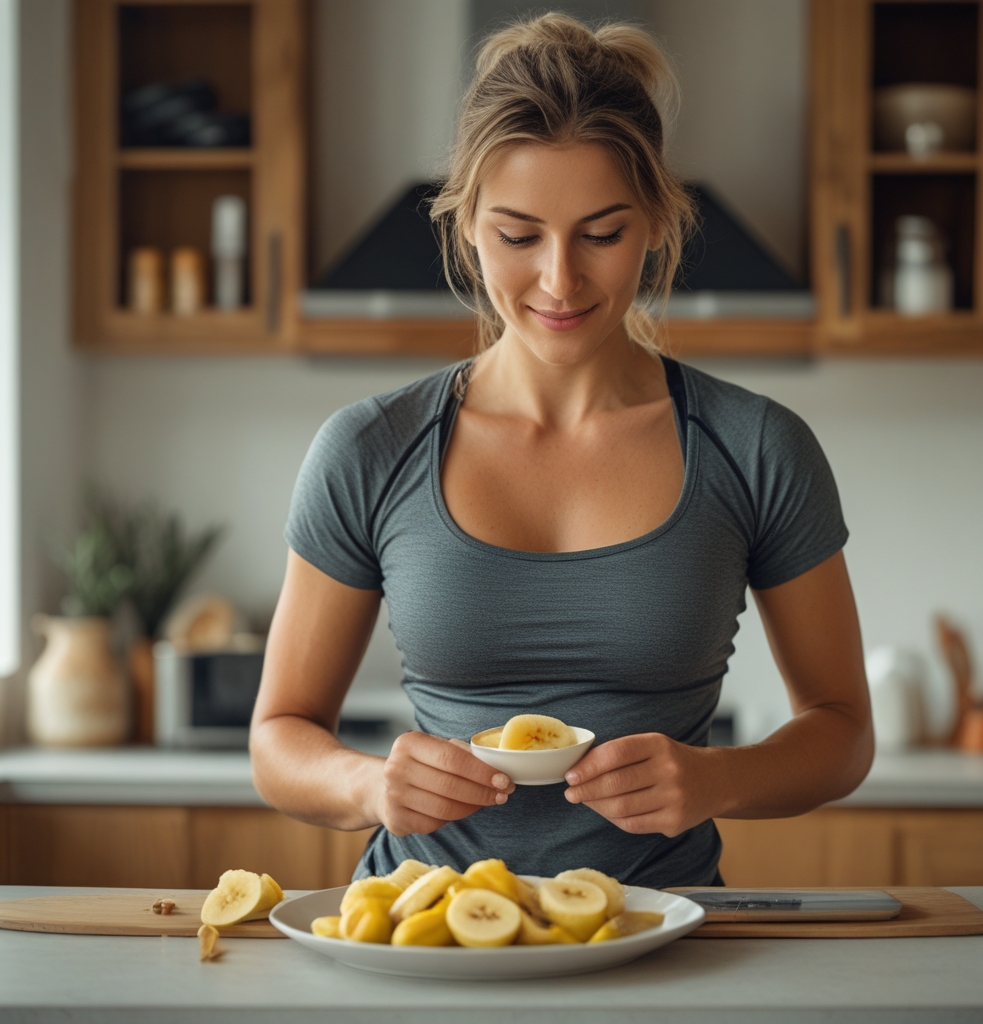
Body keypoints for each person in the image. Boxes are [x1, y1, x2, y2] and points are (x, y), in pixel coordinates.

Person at [250, 13, 873, 888]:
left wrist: (716, 779)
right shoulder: (369, 449)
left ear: (656, 222)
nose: (560, 279)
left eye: (602, 234)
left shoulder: (757, 448)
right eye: (518, 235)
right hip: (427, 932)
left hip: (662, 936)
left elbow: (843, 730)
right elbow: (279, 737)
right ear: (467, 225)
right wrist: (367, 784)